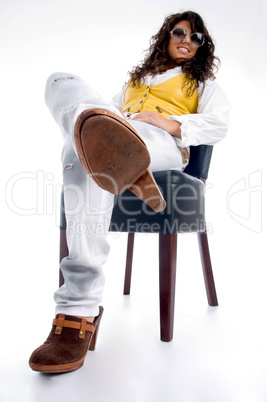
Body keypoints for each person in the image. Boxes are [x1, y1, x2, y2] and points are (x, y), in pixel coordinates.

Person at [29, 11, 230, 374]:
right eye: (180, 32)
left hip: (162, 145)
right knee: (60, 82)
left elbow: (219, 123)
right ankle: (118, 158)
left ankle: (78, 308)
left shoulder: (204, 84)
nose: (187, 40)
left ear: (202, 47)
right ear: (166, 36)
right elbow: (101, 121)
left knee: (84, 152)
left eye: (196, 38)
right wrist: (106, 118)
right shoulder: (135, 80)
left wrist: (167, 122)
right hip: (121, 130)